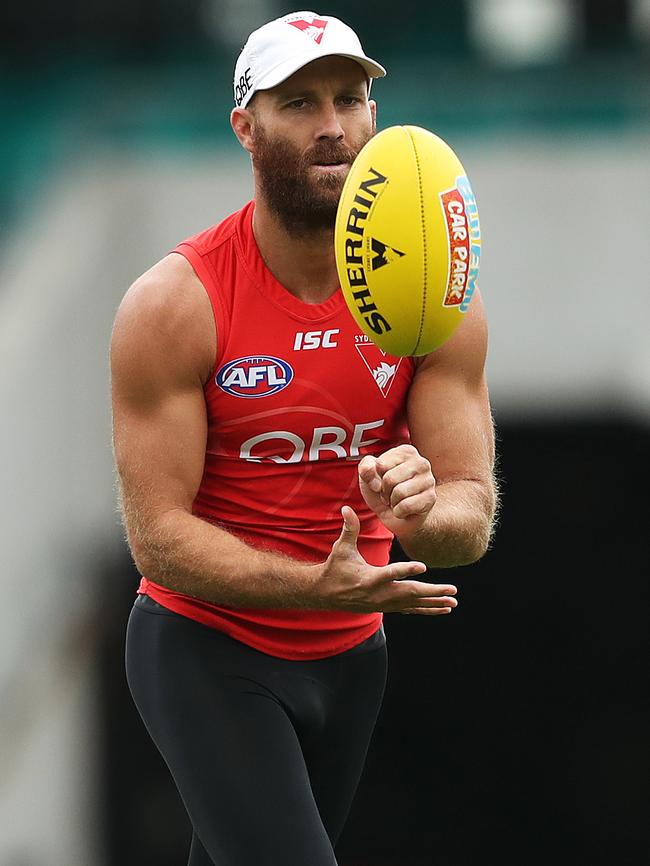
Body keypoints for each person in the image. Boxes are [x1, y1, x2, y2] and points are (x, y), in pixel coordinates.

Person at [110, 10, 498, 866]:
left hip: (353, 658)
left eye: (351, 99)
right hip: (206, 651)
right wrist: (311, 587)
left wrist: (423, 510)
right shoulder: (177, 305)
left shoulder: (435, 293)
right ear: (245, 128)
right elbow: (156, 538)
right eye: (299, 104)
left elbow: (468, 516)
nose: (333, 127)